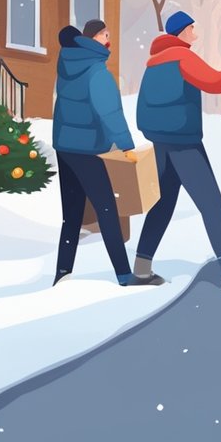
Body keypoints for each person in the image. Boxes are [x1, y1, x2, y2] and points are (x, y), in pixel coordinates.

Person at [133, 11, 221, 292]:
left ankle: (141, 268)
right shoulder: (183, 57)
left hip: (160, 140)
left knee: (163, 203)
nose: (195, 33)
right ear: (180, 32)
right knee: (211, 205)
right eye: (192, 28)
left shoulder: (153, 63)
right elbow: (216, 83)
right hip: (183, 142)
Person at [52, 20, 161, 287]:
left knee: (72, 214)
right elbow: (109, 112)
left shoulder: (67, 64)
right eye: (105, 35)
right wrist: (126, 145)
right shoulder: (96, 71)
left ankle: (63, 273)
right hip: (88, 149)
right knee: (107, 209)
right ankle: (124, 275)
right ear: (93, 38)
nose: (109, 40)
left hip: (65, 146)